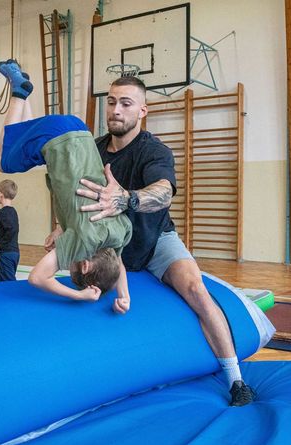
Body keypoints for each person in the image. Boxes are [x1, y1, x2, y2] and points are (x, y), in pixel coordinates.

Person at [73, 76, 255, 406]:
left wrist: (126, 199)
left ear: (142, 110)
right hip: (111, 245)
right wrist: (64, 229)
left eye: (126, 103)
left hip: (155, 238)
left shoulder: (154, 150)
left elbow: (163, 192)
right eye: (112, 102)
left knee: (195, 288)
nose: (116, 109)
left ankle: (236, 379)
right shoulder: (94, 150)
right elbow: (80, 198)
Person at [0, 59, 131, 309]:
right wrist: (78, 295)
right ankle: (17, 91)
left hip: (81, 133)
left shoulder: (117, 236)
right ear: (85, 264)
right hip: (58, 139)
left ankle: (24, 93)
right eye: (74, 267)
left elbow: (118, 265)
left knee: (26, 144)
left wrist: (125, 296)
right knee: (4, 162)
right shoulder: (83, 244)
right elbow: (37, 278)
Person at [0, 179, 20, 282]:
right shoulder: (13, 211)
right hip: (13, 252)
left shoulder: (2, 212)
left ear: (0, 194)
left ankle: (16, 297)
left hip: (7, 253)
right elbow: (5, 229)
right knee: (1, 281)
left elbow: (12, 230)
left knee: (9, 282)